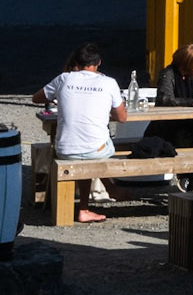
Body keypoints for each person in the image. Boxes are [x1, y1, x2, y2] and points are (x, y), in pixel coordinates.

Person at [30, 41, 125, 224]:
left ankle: (86, 207)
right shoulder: (108, 82)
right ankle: (106, 191)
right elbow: (121, 118)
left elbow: (36, 98)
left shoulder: (64, 79)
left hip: (66, 149)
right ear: (99, 63)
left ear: (77, 62)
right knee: (94, 146)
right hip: (95, 149)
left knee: (83, 147)